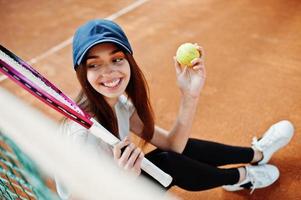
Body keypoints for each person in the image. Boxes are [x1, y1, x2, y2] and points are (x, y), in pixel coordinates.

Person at [56, 19, 294, 198]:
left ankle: (256, 154)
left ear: (129, 61)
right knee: (167, 163)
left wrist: (189, 95)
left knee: (172, 153)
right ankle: (241, 178)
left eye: (116, 59)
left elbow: (174, 145)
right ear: (83, 73)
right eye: (94, 64)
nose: (108, 72)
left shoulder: (118, 103)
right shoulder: (81, 137)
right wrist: (123, 180)